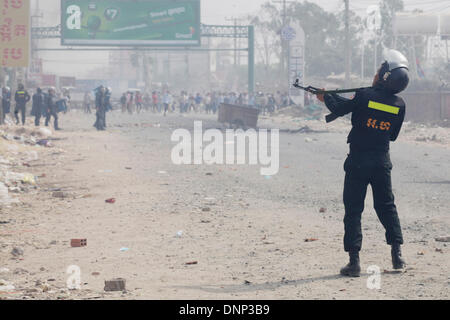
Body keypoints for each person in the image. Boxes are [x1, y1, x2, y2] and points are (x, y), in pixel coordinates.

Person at [315, 51, 409, 277]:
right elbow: (393, 135)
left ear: (386, 76)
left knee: (354, 209)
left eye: (380, 71)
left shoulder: (365, 95)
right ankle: (397, 256)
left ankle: (354, 262)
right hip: (381, 162)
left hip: (358, 160)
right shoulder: (399, 104)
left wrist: (324, 97)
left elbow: (341, 108)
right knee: (386, 206)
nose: (376, 74)